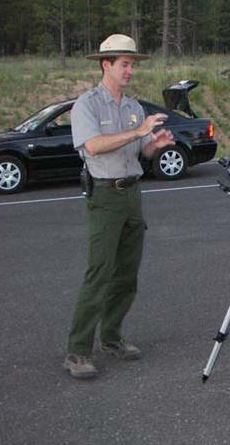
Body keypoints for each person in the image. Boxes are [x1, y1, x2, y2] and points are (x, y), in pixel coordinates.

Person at [63, 34, 175, 379]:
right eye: (124, 64)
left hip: (131, 195)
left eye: (132, 65)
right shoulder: (87, 105)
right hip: (105, 197)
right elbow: (94, 146)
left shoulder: (133, 107)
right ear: (105, 65)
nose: (130, 71)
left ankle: (111, 338)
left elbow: (141, 153)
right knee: (99, 273)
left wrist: (154, 144)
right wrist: (138, 131)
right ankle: (78, 351)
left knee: (127, 275)